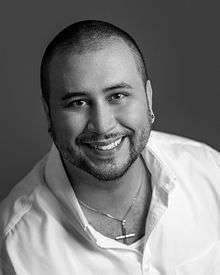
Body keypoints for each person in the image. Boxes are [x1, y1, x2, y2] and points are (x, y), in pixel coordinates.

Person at [0, 20, 220, 275]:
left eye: (117, 96)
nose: (103, 126)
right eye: (78, 102)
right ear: (49, 115)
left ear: (148, 98)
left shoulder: (210, 173)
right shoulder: (13, 247)